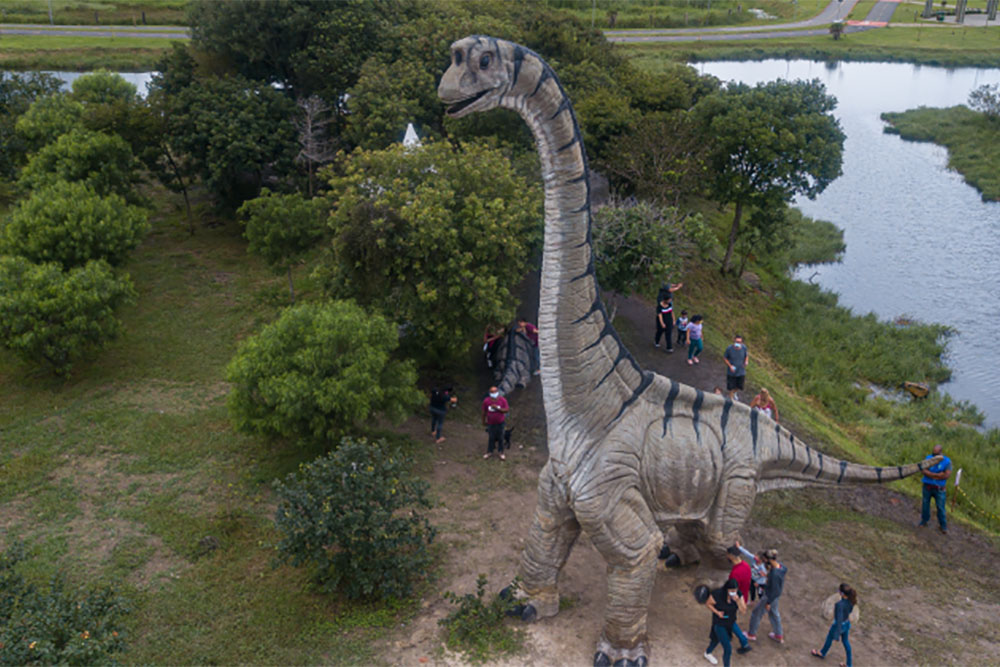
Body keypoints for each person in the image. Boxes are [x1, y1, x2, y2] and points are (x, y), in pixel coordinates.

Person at [703, 578, 748, 666]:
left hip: (731, 621)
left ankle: (707, 652)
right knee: (728, 648)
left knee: (716, 640)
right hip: (719, 623)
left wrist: (738, 601)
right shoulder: (718, 594)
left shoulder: (738, 595)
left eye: (735, 590)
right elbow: (708, 604)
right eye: (731, 591)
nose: (733, 592)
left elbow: (743, 611)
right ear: (727, 589)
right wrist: (717, 612)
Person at [746, 548, 786, 644]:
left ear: (769, 559)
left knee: (756, 613)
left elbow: (774, 589)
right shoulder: (782, 567)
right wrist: (766, 575)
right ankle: (778, 634)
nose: (763, 561)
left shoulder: (774, 574)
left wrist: (768, 603)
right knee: (774, 613)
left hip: (769, 596)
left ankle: (751, 634)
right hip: (776, 596)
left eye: (764, 559)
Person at [812, 583, 857, 667]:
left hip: (839, 625)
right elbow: (850, 611)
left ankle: (822, 652)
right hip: (847, 624)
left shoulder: (839, 605)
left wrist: (837, 633)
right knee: (846, 642)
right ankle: (849, 664)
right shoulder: (851, 601)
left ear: (842, 593)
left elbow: (839, 619)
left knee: (829, 638)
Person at [724, 547, 754, 654]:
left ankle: (744, 642)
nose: (726, 556)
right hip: (743, 597)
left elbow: (732, 591)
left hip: (735, 600)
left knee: (728, 619)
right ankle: (728, 634)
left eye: (727, 555)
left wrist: (727, 599)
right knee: (731, 617)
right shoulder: (746, 565)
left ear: (732, 556)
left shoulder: (735, 574)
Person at [917, 443, 952, 534]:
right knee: (925, 504)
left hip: (939, 488)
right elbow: (923, 470)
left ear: (940, 452)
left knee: (940, 507)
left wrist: (931, 474)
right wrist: (936, 475)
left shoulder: (947, 461)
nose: (934, 456)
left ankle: (943, 526)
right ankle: (924, 521)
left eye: (936, 454)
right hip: (927, 486)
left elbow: (946, 475)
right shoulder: (928, 458)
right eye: (933, 453)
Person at [481, 385, 509, 461]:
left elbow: (506, 410)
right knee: (491, 437)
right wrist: (483, 421)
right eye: (492, 392)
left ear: (497, 392)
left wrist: (497, 408)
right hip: (491, 423)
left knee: (501, 437)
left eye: (495, 391)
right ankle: (489, 452)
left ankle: (501, 452)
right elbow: (483, 412)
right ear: (489, 393)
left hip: (500, 423)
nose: (494, 393)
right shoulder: (486, 401)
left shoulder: (502, 400)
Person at [723, 335, 749, 401]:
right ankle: (731, 399)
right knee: (731, 387)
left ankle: (734, 393)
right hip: (732, 372)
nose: (738, 343)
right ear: (734, 341)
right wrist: (730, 366)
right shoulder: (729, 348)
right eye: (737, 341)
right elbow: (725, 358)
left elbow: (746, 355)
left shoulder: (744, 348)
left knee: (740, 386)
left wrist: (746, 361)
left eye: (740, 342)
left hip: (741, 371)